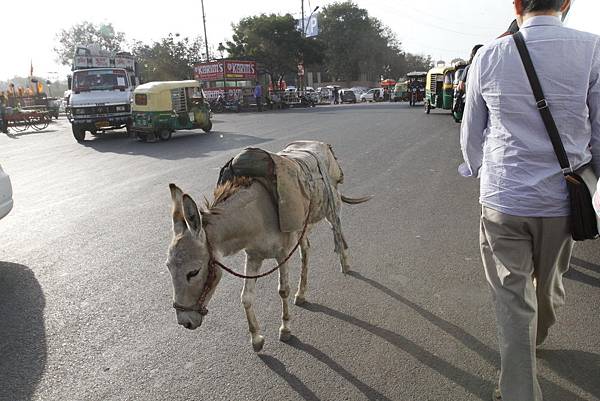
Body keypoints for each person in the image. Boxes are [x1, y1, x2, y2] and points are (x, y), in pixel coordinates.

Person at [459, 0, 599, 400]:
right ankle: (537, 334)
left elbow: (472, 131)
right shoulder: (593, 48)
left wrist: (473, 170)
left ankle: (521, 385)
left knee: (511, 297)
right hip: (564, 198)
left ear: (517, 4)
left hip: (504, 197)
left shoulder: (489, 55)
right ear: (567, 3)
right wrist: (590, 181)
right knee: (550, 280)